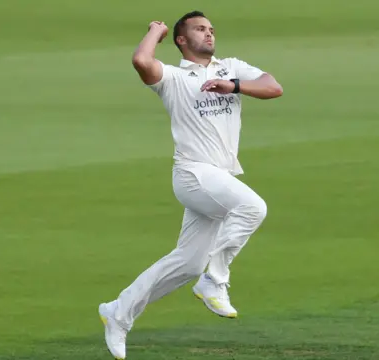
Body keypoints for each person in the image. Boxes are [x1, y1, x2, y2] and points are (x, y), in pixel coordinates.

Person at [98, 10, 283, 359]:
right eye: (200, 29)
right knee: (252, 207)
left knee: (187, 263)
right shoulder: (172, 78)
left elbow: (274, 87)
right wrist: (155, 31)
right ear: (182, 40)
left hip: (219, 178)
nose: (209, 34)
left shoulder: (230, 67)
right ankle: (215, 279)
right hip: (193, 174)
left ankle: (118, 313)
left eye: (211, 29)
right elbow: (141, 60)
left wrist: (234, 86)